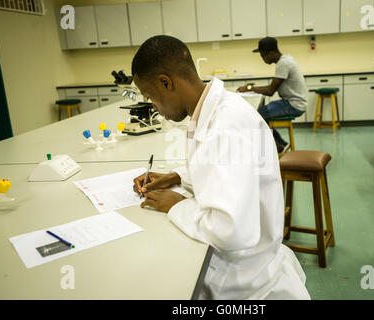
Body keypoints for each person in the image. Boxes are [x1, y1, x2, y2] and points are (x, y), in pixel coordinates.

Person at [131, 35, 310, 300]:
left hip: (242, 280)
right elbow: (228, 170)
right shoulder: (217, 109)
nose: (154, 107)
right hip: (244, 262)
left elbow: (230, 230)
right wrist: (178, 176)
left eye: (150, 97)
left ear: (165, 82)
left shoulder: (227, 126)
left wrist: (176, 204)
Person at [237, 37, 308, 154]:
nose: (263, 59)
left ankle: (277, 146)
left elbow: (270, 90)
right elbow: (272, 86)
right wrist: (253, 88)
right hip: (290, 102)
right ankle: (280, 143)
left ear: (271, 53)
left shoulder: (283, 63)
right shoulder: (286, 59)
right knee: (260, 112)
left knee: (256, 116)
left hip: (294, 105)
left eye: (263, 56)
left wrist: (250, 88)